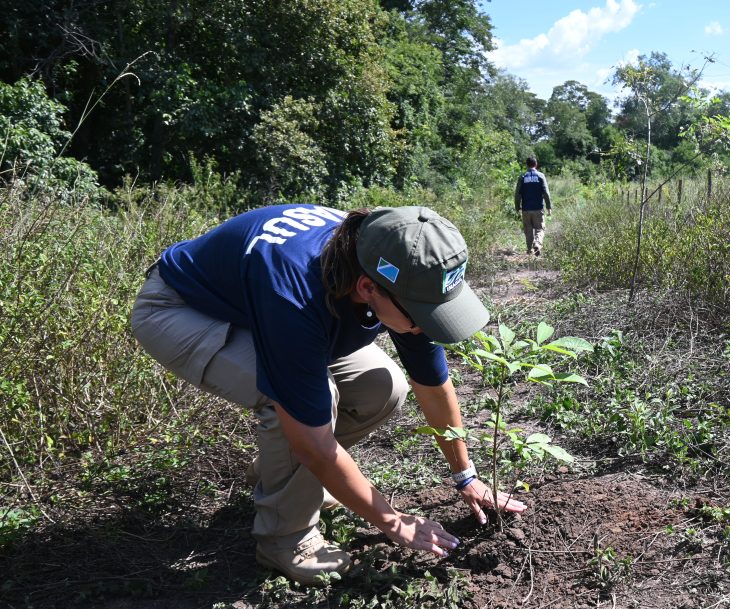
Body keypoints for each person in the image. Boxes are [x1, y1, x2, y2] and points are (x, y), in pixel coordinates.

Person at [131, 204, 526, 585]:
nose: (425, 327)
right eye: (421, 316)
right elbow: (313, 444)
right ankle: (284, 540)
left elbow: (433, 385)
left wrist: (466, 476)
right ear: (368, 287)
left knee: (384, 387)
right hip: (182, 310)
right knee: (311, 403)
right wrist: (392, 521)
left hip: (258, 306)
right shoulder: (295, 294)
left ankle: (280, 479)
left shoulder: (397, 265)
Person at [514, 156, 552, 256]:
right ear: (536, 164)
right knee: (539, 228)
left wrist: (517, 207)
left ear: (527, 165)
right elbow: (546, 193)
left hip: (526, 209)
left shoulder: (522, 177)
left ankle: (529, 250)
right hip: (538, 208)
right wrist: (549, 206)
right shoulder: (540, 176)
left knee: (528, 229)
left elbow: (517, 194)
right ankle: (537, 244)